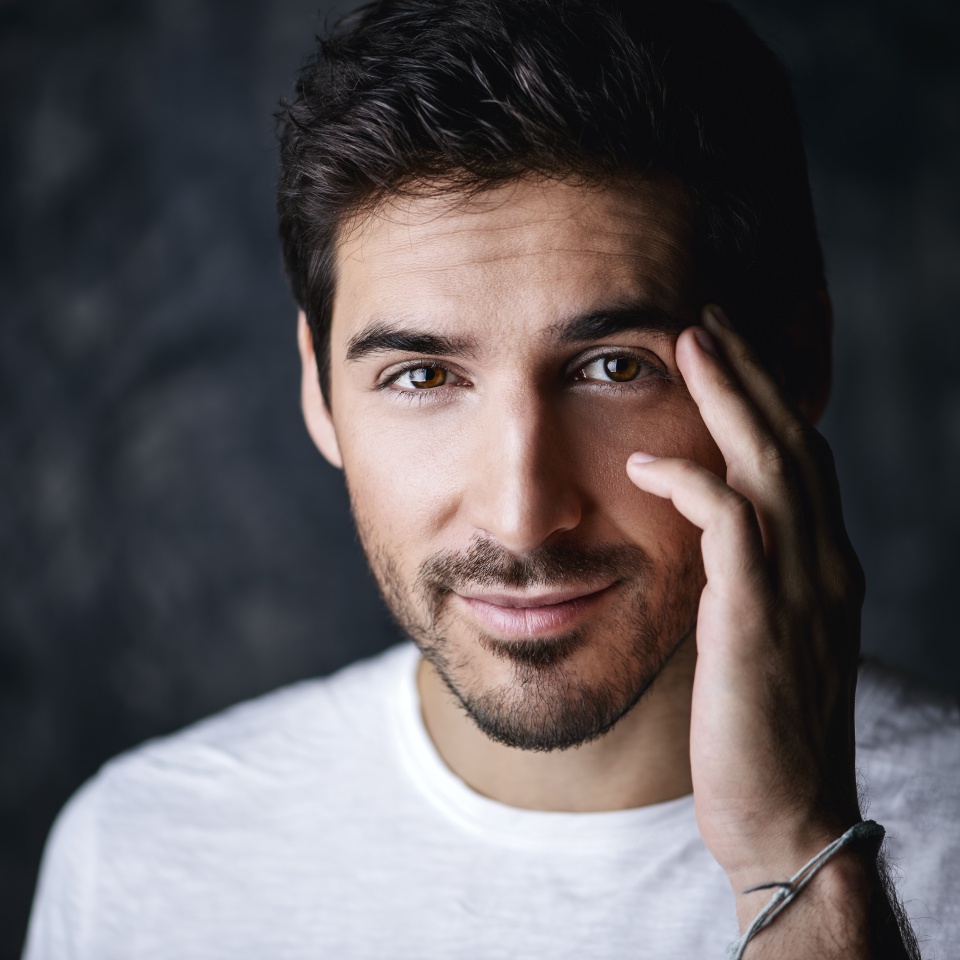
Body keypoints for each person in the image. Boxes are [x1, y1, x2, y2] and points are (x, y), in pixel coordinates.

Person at [23, 0, 960, 957]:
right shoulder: (139, 859)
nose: (522, 518)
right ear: (318, 390)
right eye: (422, 377)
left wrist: (797, 855)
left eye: (614, 368)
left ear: (794, 367)